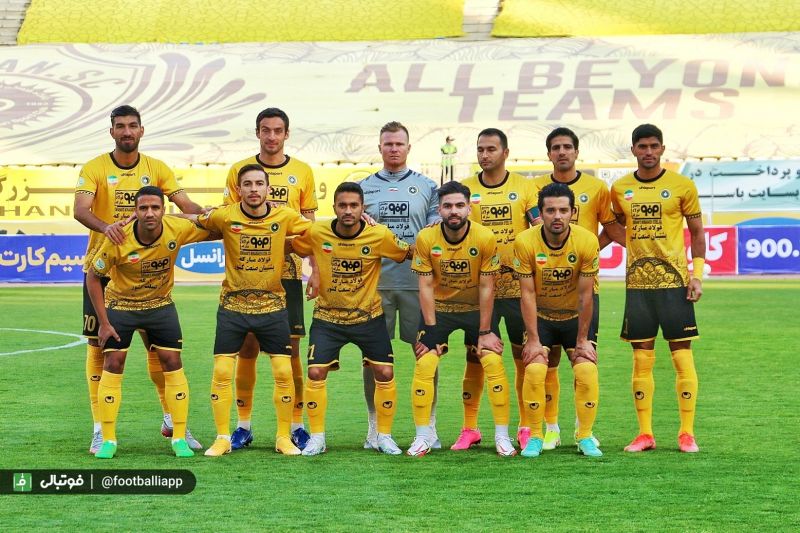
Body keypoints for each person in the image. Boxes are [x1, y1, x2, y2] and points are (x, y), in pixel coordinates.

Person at [74, 105, 205, 454]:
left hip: (147, 271)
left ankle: (171, 419)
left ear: (141, 130)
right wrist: (110, 230)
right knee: (100, 348)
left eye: (132, 126)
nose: (127, 131)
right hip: (103, 267)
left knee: (159, 350)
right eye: (120, 126)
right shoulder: (95, 168)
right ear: (112, 132)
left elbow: (187, 206)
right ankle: (100, 429)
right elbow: (80, 210)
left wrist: (218, 215)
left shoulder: (157, 169)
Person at [189, 165, 313, 457]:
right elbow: (194, 219)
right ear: (239, 189)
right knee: (222, 370)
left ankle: (283, 437)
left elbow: (318, 232)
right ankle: (223, 437)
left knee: (283, 370)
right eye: (248, 184)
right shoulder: (225, 215)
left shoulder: (285, 216)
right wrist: (154, 217)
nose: (254, 189)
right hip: (233, 306)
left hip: (273, 306)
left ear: (268, 189)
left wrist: (362, 221)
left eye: (259, 184)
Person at [86, 186, 211, 458]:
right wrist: (104, 323)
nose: (150, 213)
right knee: (113, 363)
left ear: (164, 210)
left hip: (160, 305)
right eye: (143, 208)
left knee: (172, 361)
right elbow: (93, 276)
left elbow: (215, 228)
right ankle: (108, 439)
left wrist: (210, 215)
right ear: (135, 211)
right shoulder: (118, 237)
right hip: (122, 305)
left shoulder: (176, 228)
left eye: (155, 207)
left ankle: (179, 437)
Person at [289, 182, 412, 456]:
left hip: (369, 317)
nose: (348, 210)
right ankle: (317, 438)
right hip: (327, 318)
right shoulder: (317, 231)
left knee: (385, 372)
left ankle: (383, 436)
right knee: (315, 372)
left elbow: (408, 252)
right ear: (334, 207)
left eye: (353, 205)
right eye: (342, 205)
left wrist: (438, 241)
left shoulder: (379, 235)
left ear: (362, 208)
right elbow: (295, 246)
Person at [223, 107, 317, 451]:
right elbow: (227, 220)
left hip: (286, 276)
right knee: (246, 349)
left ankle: (296, 426)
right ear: (258, 133)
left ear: (287, 134)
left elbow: (310, 229)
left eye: (278, 130)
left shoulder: (302, 172)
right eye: (266, 130)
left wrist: (315, 268)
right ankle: (243, 426)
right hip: (247, 276)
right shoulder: (239, 171)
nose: (272, 136)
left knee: (290, 352)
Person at [610, 123, 705, 453]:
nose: (648, 151)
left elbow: (697, 232)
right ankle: (645, 434)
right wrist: (633, 246)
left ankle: (687, 433)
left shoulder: (682, 185)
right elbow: (612, 227)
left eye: (654, 146)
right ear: (633, 150)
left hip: (675, 283)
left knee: (682, 355)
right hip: (638, 285)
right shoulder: (620, 188)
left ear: (662, 149)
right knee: (641, 359)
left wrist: (697, 275)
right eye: (642, 146)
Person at [530, 127, 625, 450]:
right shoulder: (534, 188)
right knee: (547, 362)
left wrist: (586, 251)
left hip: (583, 290)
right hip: (544, 287)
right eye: (556, 147)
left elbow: (613, 228)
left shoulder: (596, 188)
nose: (562, 152)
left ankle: (583, 431)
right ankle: (551, 428)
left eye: (567, 147)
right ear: (548, 154)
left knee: (584, 359)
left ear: (576, 152)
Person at [408, 180, 515, 457]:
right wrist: (430, 329)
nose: (453, 211)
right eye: (447, 206)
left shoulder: (485, 237)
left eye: (459, 205)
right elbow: (425, 286)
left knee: (491, 360)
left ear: (469, 208)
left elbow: (487, 287)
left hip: (475, 310)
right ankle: (423, 437)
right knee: (425, 361)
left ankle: (502, 436)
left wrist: (485, 331)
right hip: (440, 310)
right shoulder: (426, 238)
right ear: (439, 210)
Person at [359, 121, 440, 450]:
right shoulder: (362, 188)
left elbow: (435, 230)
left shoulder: (428, 186)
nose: (394, 148)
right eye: (388, 144)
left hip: (416, 284)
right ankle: (374, 427)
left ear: (408, 147)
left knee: (426, 354)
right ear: (380, 147)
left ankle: (428, 426)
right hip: (374, 284)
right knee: (372, 358)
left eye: (399, 144)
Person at [460, 128, 538, 450]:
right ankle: (470, 428)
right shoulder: (466, 188)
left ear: (505, 152)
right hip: (481, 291)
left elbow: (537, 229)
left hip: (519, 290)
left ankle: (524, 426)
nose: (484, 154)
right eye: (480, 149)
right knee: (475, 355)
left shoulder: (525, 187)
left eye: (491, 149)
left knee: (523, 357)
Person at [513, 182, 602, 458]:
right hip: (540, 315)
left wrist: (583, 339)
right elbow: (527, 294)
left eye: (563, 210)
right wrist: (533, 340)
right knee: (535, 369)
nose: (557, 216)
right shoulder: (525, 241)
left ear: (573, 212)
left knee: (586, 369)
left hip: (575, 316)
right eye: (550, 210)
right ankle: (536, 436)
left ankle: (584, 436)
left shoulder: (587, 241)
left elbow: (586, 295)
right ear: (540, 213)